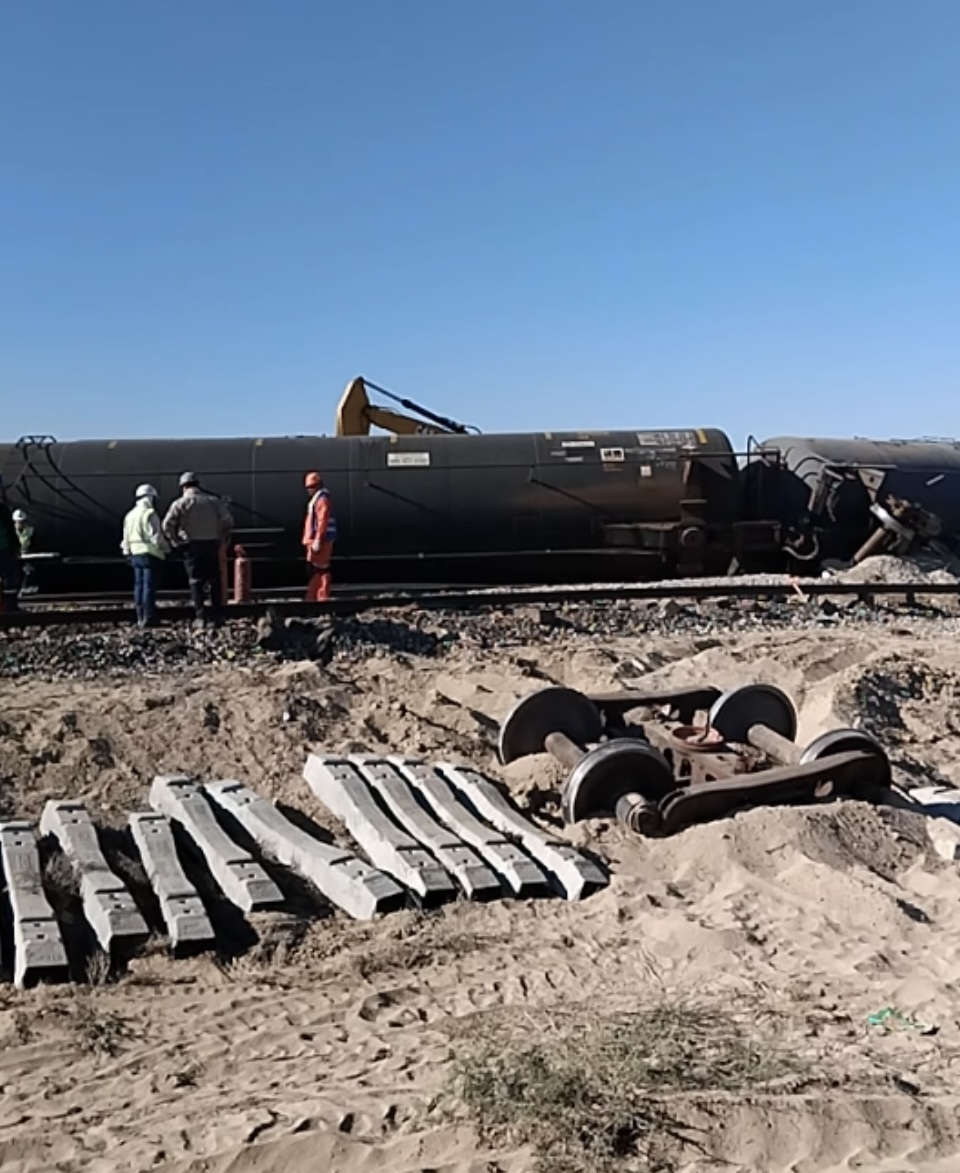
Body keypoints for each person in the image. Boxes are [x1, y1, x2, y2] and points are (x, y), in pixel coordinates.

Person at [162, 471, 233, 627]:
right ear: (198, 485)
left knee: (195, 581)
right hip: (211, 544)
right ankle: (217, 615)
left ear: (183, 486)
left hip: (191, 546)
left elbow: (167, 525)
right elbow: (227, 520)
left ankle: (200, 617)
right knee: (215, 580)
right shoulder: (213, 501)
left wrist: (175, 541)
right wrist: (222, 537)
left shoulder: (180, 503)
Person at [121, 485, 168, 628]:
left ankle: (140, 617)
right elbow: (156, 537)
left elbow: (126, 538)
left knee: (139, 587)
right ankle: (149, 618)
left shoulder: (130, 515)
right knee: (149, 587)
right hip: (150, 555)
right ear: (151, 498)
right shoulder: (150, 514)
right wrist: (167, 549)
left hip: (135, 554)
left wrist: (126, 551)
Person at [302, 471, 338, 601]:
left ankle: (321, 597)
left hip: (320, 541)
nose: (309, 490)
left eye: (311, 487)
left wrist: (318, 540)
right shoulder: (318, 499)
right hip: (314, 540)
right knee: (315, 568)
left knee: (321, 569)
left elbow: (322, 521)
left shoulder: (322, 500)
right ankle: (314, 595)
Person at [0, 496, 21, 612]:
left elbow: (10, 530)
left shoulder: (4, 511)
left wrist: (15, 546)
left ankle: (10, 606)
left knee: (9, 580)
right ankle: (10, 606)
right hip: (5, 550)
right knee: (9, 579)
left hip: (5, 550)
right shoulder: (4, 510)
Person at [12, 509, 38, 595]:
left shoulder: (30, 531)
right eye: (18, 522)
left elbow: (35, 543)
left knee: (28, 570)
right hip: (13, 557)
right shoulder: (10, 531)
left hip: (27, 556)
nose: (20, 524)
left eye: (21, 522)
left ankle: (25, 587)